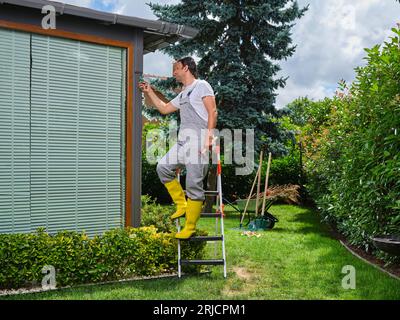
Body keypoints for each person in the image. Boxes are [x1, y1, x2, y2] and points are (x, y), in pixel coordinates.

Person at [139, 57, 217, 239]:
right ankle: (181, 204)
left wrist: (208, 139)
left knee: (193, 185)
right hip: (183, 142)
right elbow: (165, 108)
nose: (173, 73)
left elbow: (213, 111)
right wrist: (149, 91)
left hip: (198, 141)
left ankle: (190, 227)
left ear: (186, 68)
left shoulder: (202, 86)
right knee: (163, 167)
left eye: (176, 69)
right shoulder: (183, 93)